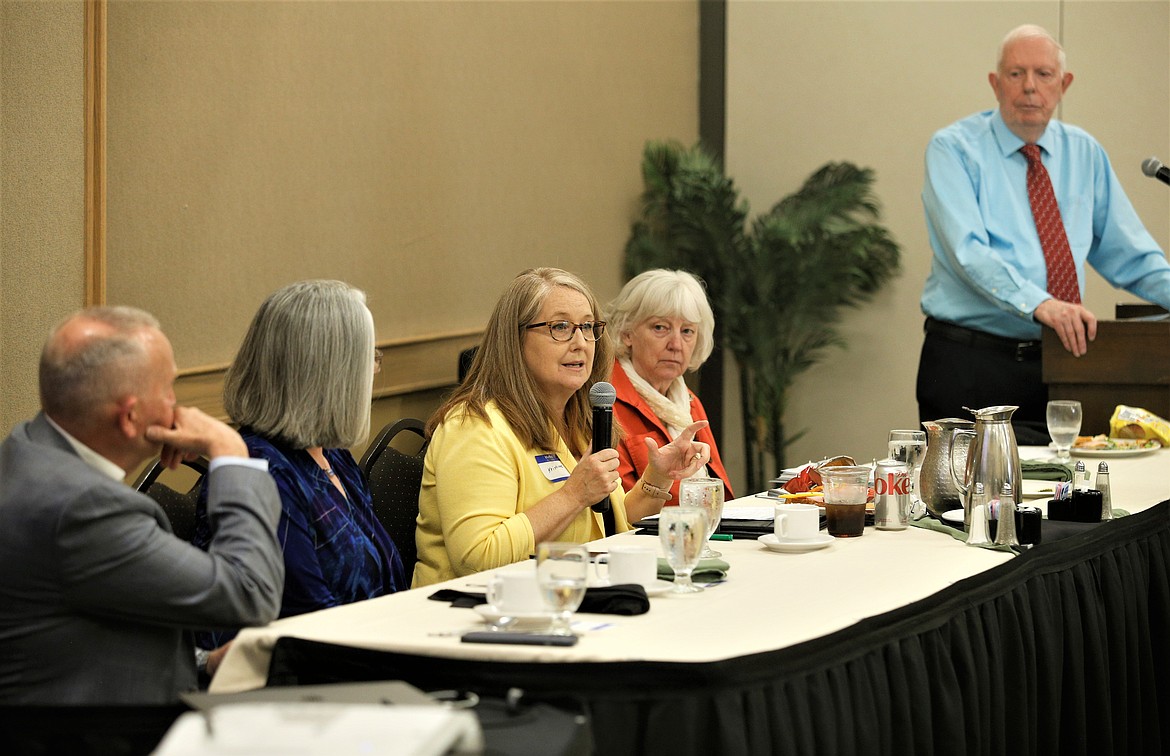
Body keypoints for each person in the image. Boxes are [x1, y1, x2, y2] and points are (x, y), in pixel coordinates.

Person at [0, 307, 283, 704]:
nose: (177, 406)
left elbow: (75, 629)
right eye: (168, 389)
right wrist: (231, 454)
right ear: (131, 417)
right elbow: (250, 592)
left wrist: (201, 662)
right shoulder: (83, 508)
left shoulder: (25, 449)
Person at [917, 24, 1170, 440]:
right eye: (1016, 74)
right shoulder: (953, 149)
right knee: (969, 502)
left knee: (1068, 497)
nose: (1030, 87)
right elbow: (968, 253)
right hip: (971, 362)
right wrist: (1042, 304)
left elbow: (1129, 253)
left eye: (1044, 74)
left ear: (1064, 84)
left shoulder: (1084, 152)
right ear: (995, 85)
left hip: (1064, 365)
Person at [413, 267, 712, 587]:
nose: (580, 342)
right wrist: (574, 494)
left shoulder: (576, 421)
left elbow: (606, 526)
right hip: (474, 615)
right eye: (560, 327)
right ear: (514, 339)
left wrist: (658, 476)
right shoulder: (474, 427)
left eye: (587, 327)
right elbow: (478, 559)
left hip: (568, 597)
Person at [192, 281, 406, 668]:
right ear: (330, 374)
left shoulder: (333, 456)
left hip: (362, 666)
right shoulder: (263, 471)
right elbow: (309, 624)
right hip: (294, 691)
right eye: (368, 357)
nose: (374, 370)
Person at [604, 269, 734, 502]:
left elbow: (721, 493)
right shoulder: (605, 401)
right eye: (660, 328)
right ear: (626, 334)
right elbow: (618, 514)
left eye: (687, 331)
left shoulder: (688, 401)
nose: (676, 344)